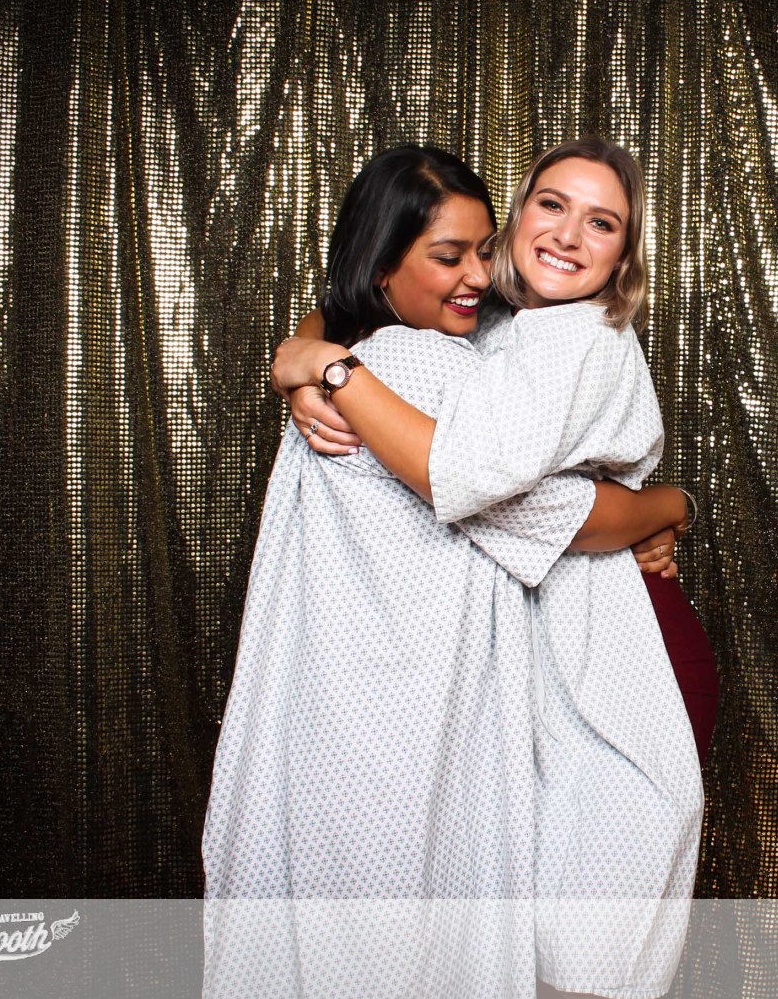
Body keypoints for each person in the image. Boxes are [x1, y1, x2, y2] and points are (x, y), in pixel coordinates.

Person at [203, 145, 695, 998]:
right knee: (555, 936)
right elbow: (345, 309)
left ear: (626, 254)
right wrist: (303, 350)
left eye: (602, 223)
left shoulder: (555, 342)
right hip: (575, 648)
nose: (567, 235)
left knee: (591, 946)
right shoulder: (481, 329)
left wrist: (670, 505)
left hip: (618, 659)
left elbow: (487, 488)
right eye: (550, 205)